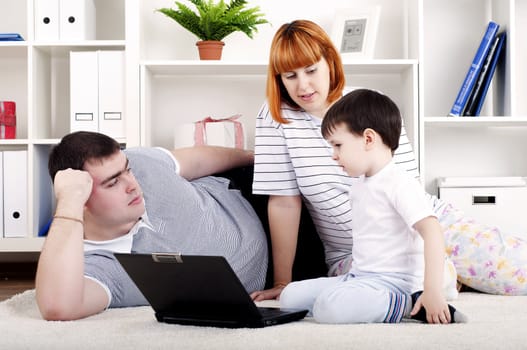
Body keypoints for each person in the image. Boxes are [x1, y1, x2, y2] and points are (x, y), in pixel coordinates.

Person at [250, 19, 527, 302]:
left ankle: (449, 275)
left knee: (516, 271)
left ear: (329, 62)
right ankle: (448, 278)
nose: (303, 85)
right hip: (357, 256)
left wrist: (422, 253)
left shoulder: (370, 105)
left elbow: (407, 186)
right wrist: (282, 282)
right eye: (290, 76)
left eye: (311, 70)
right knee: (370, 298)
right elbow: (284, 202)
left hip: (423, 225)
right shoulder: (275, 118)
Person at [35, 131, 268, 321]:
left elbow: (197, 160)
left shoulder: (136, 164)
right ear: (81, 198)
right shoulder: (100, 267)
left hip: (251, 190)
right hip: (277, 270)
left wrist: (253, 157)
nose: (133, 185)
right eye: (113, 182)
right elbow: (58, 307)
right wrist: (67, 203)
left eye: (127, 170)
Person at [278, 88, 465, 323]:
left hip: (397, 282)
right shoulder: (359, 185)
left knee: (329, 308)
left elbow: (433, 231)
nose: (333, 155)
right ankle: (359, 300)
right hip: (360, 276)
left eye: (338, 145)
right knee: (289, 297)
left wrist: (432, 291)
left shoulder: (399, 182)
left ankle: (411, 303)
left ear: (368, 139)